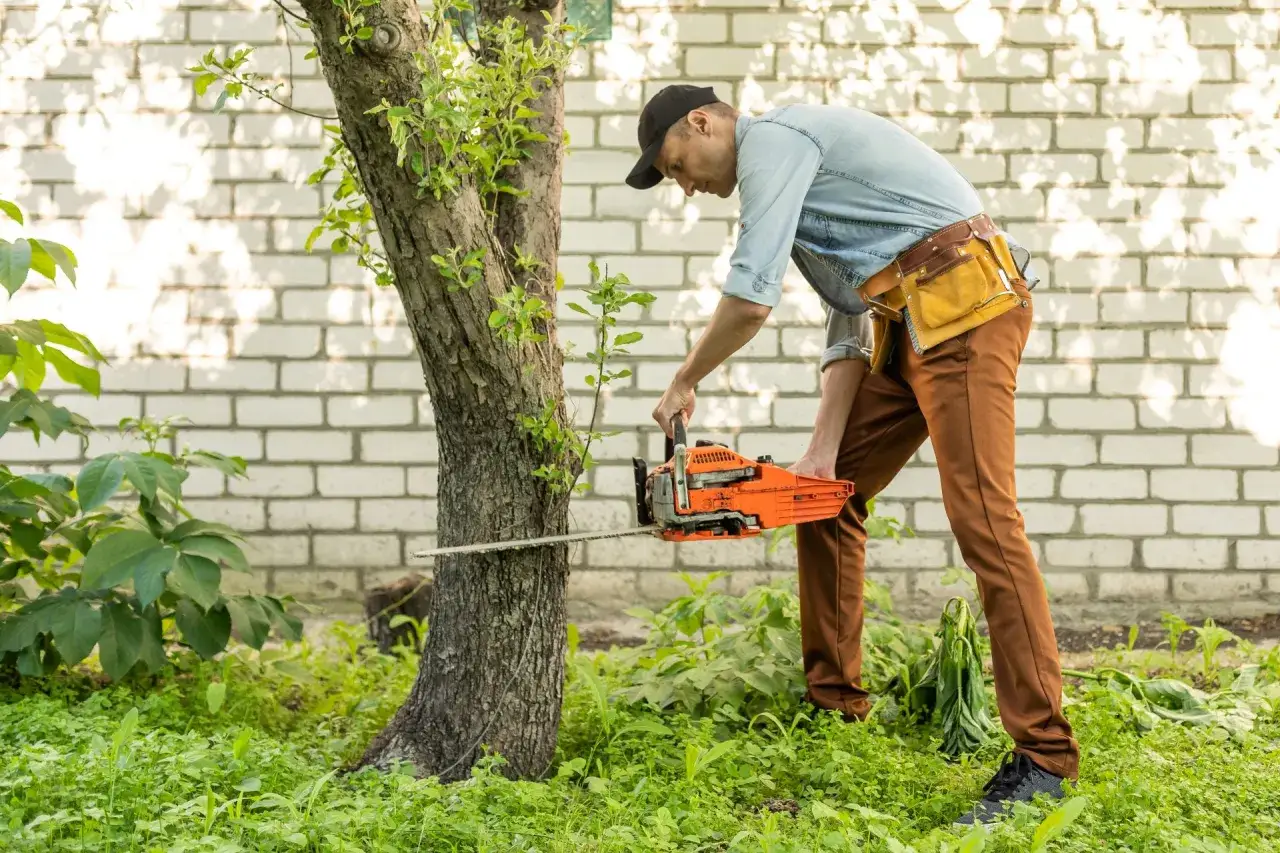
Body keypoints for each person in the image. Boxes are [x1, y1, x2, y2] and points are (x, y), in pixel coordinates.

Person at [624, 84, 1080, 826]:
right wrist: (822, 450)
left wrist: (685, 378)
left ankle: (1046, 755)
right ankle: (836, 703)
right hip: (907, 323)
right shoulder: (799, 177)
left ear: (702, 123)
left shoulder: (775, 143)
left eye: (676, 165)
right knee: (824, 497)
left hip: (965, 305)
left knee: (986, 524)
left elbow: (749, 299)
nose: (683, 186)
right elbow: (850, 316)